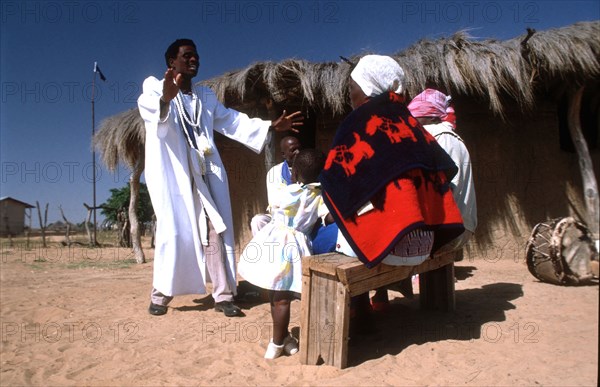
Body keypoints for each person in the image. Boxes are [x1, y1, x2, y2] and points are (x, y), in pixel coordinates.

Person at [138, 39, 303, 317]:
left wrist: (271, 128)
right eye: (187, 56)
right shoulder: (154, 86)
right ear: (171, 63)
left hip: (205, 172)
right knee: (176, 232)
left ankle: (223, 295)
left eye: (196, 55)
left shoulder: (206, 97)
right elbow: (152, 111)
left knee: (216, 229)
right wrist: (165, 98)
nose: (194, 60)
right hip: (175, 174)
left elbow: (231, 120)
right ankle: (161, 293)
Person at [319, 55, 465, 316]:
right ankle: (377, 301)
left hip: (391, 247)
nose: (349, 94)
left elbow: (334, 181)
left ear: (367, 88)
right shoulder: (410, 123)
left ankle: (360, 313)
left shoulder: (359, 123)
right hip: (425, 243)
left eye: (352, 87)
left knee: (320, 240)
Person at [238, 148, 326, 359]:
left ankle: (279, 341)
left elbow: (274, 207)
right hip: (295, 247)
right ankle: (281, 341)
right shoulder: (319, 196)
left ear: (294, 174)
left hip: (273, 242)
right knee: (283, 298)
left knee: (276, 294)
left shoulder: (284, 191)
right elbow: (328, 217)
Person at [407, 88, 477, 253]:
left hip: (448, 226)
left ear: (431, 117)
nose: (412, 123)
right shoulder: (451, 138)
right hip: (460, 225)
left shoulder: (437, 136)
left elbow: (441, 190)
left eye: (416, 117)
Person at [250, 136, 302, 236]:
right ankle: (263, 251)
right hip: (280, 217)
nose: (298, 152)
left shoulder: (307, 168)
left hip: (302, 217)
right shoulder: (275, 172)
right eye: (293, 150)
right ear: (283, 154)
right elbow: (274, 204)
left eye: (299, 148)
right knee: (258, 221)